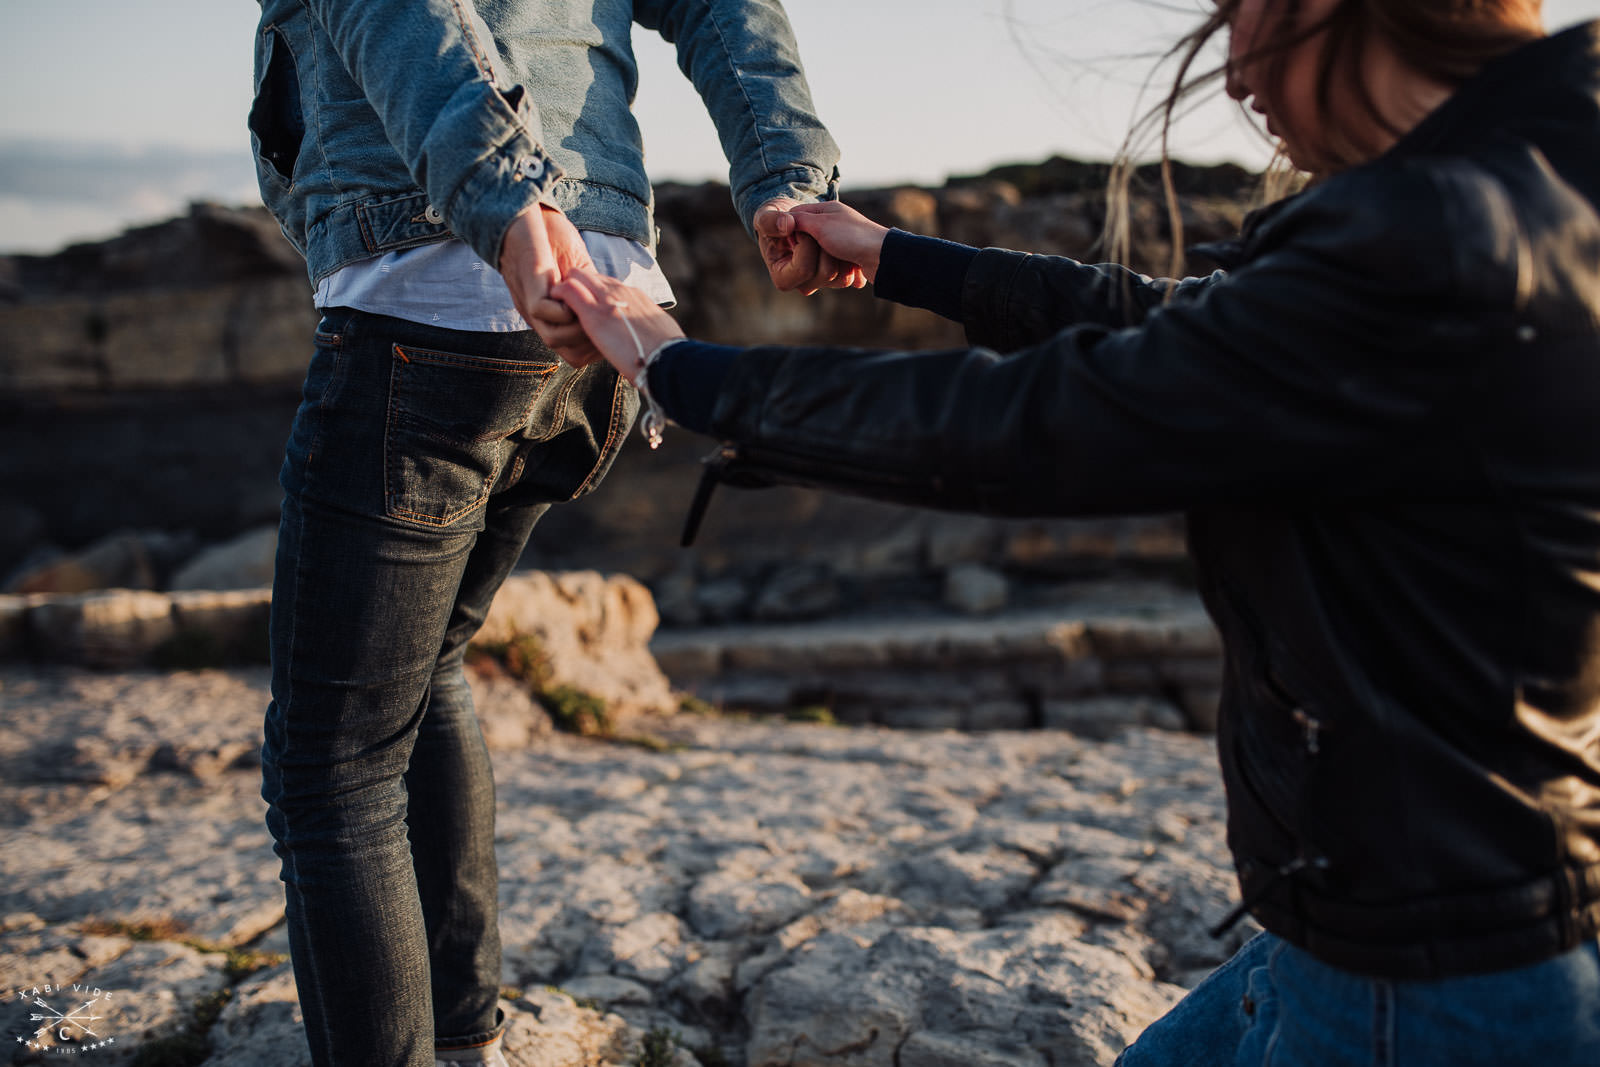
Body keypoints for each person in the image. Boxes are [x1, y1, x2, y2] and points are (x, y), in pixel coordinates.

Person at [547, 1, 1600, 1062]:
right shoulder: (1531, 180)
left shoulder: (1439, 233)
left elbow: (1039, 426)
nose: (1234, 75)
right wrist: (900, 260)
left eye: (1238, 13)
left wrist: (679, 369)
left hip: (1435, 978)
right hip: (1410, 917)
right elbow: (1189, 328)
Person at [246, 1, 857, 1063]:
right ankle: (461, 1036)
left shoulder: (487, 217)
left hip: (438, 281)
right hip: (604, 310)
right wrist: (787, 176)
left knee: (330, 765)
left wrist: (506, 201)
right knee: (428, 671)